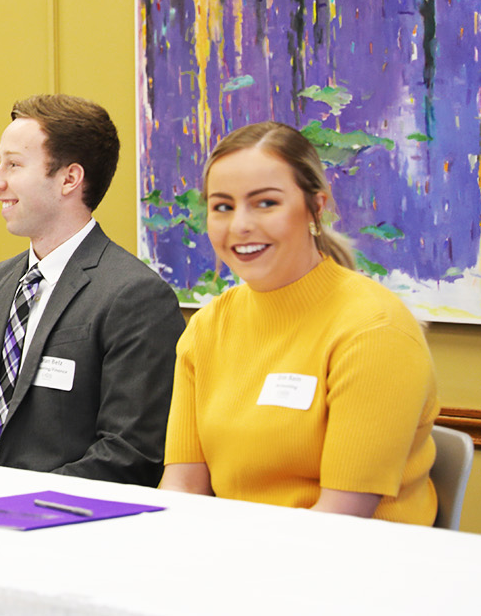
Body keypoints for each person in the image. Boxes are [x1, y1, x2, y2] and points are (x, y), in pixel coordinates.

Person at [160, 122, 438, 524]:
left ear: (316, 208)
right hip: (233, 558)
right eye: (222, 206)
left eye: (265, 203)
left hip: (357, 569)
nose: (240, 225)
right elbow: (183, 487)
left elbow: (340, 522)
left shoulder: (374, 330)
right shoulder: (206, 327)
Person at [0, 94, 183, 485]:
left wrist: (11, 503)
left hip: (56, 522)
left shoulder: (135, 297)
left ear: (69, 178)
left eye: (13, 164)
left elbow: (128, 453)